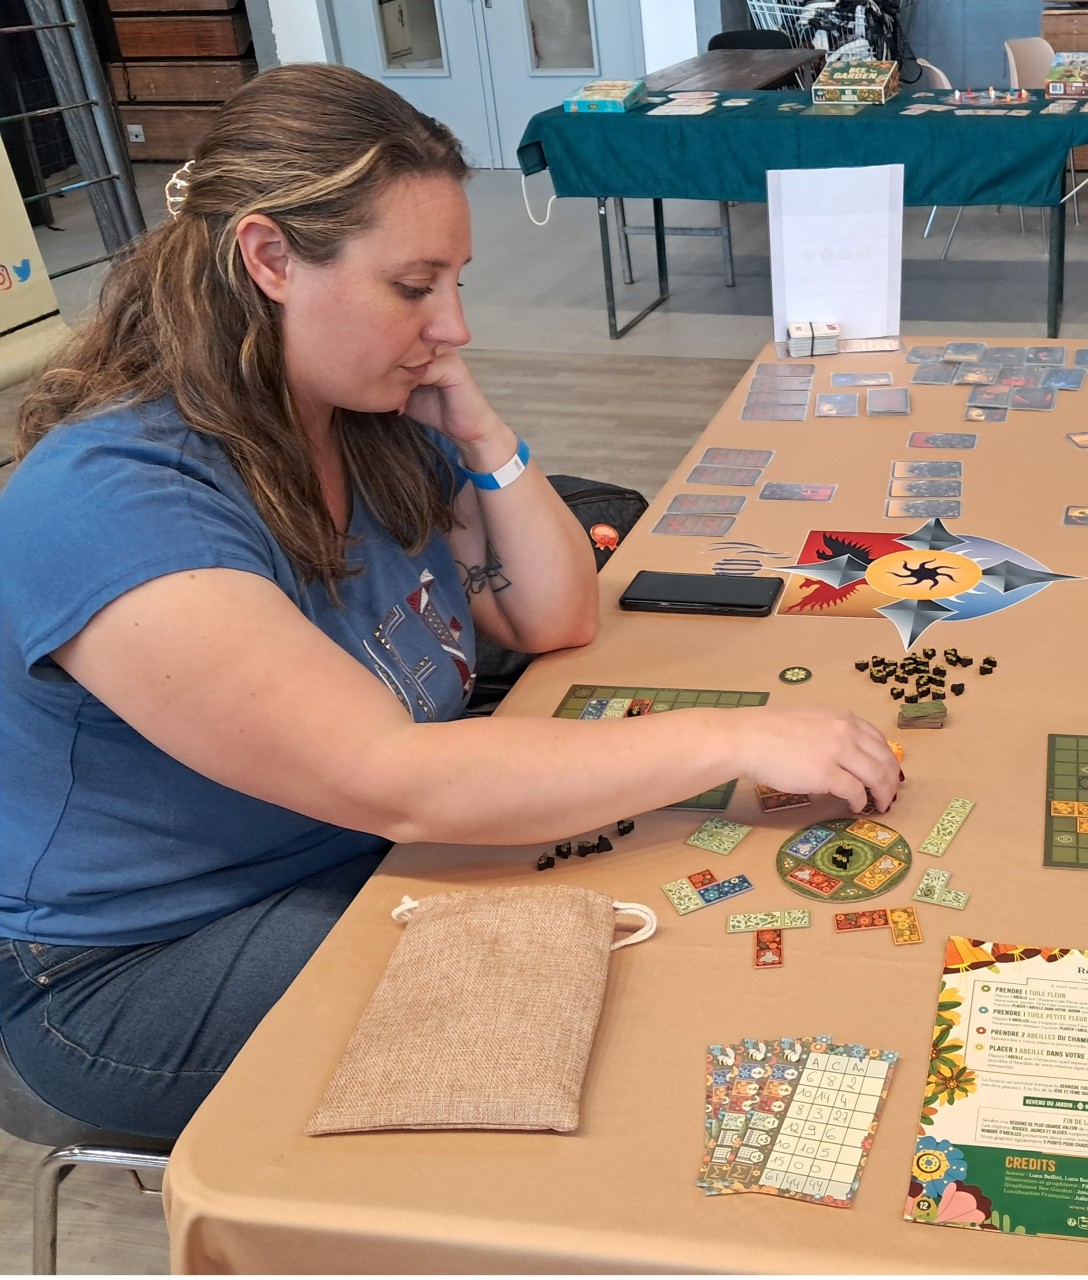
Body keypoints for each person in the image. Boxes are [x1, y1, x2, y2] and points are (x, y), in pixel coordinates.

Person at [0, 64, 901, 1141]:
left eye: (459, 283)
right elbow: (398, 780)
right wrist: (731, 736)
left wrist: (478, 433)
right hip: (144, 961)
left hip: (359, 849)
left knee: (660, 916)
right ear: (270, 257)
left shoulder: (368, 411)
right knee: (615, 1002)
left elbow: (555, 618)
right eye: (415, 286)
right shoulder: (110, 498)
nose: (455, 325)